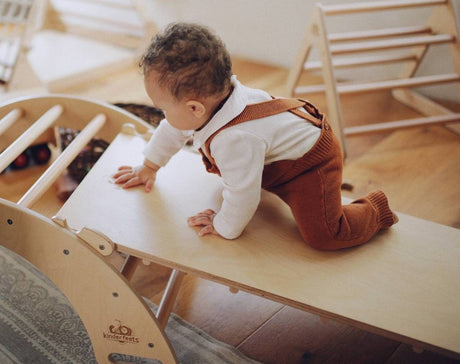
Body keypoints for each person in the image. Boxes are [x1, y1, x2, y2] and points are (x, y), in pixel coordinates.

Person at [113, 22, 398, 250]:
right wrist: (149, 166)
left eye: (162, 108)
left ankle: (375, 209)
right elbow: (173, 129)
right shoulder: (212, 103)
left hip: (310, 165)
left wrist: (223, 225)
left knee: (325, 236)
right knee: (237, 176)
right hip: (279, 154)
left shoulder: (234, 139)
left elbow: (243, 196)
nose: (162, 114)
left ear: (195, 108)